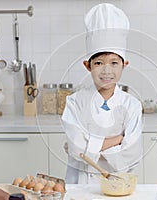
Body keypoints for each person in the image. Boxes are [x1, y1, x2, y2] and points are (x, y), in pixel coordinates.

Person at [62, 3, 143, 184]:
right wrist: (117, 140)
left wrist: (88, 148)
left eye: (114, 63)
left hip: (119, 184)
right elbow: (76, 148)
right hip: (80, 185)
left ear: (125, 65)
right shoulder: (75, 102)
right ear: (87, 66)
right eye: (99, 63)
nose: (106, 71)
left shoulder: (132, 105)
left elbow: (132, 153)